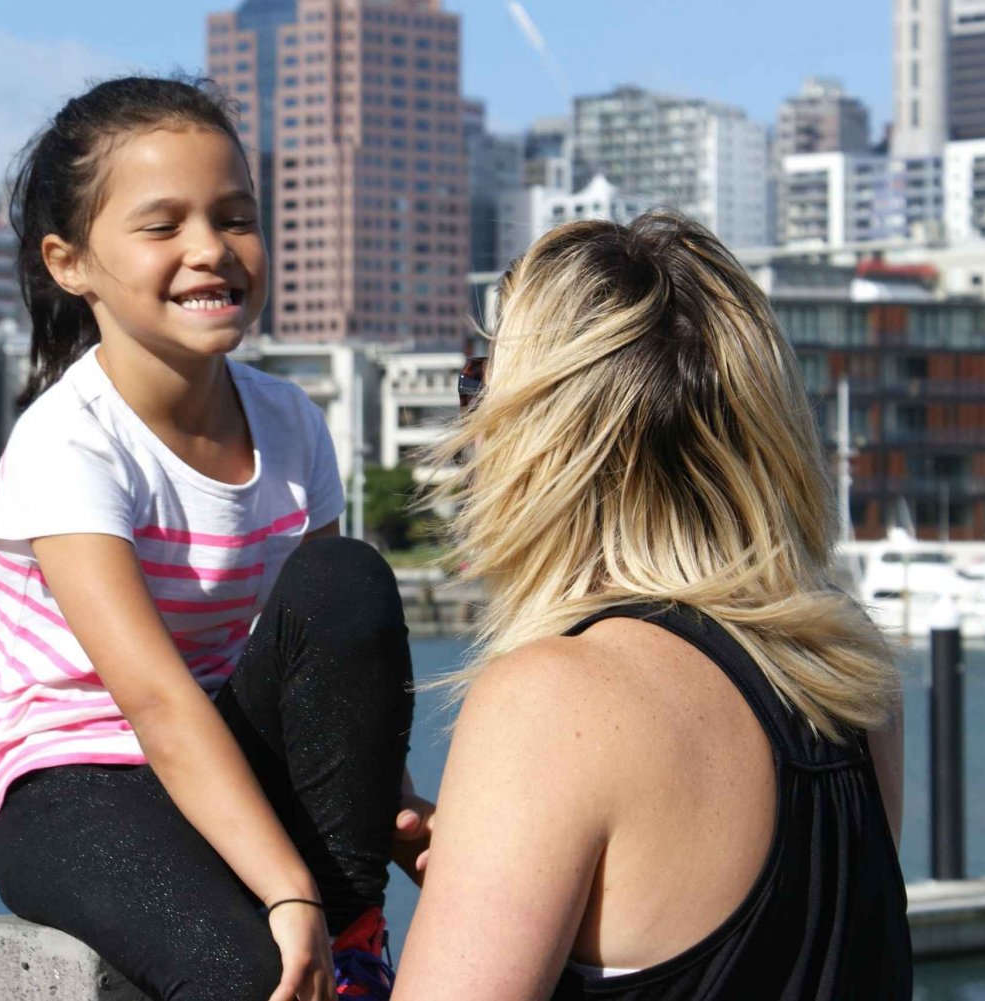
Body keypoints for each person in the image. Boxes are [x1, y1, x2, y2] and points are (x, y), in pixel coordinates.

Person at [0, 76, 412, 1001]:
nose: (211, 250)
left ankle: (354, 934)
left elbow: (323, 659)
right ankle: (310, 918)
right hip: (71, 782)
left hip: (218, 755)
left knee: (344, 578)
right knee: (241, 975)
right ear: (70, 262)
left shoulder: (291, 423)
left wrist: (393, 804)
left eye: (234, 217)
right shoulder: (68, 441)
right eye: (163, 227)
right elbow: (155, 700)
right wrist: (285, 888)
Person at [389, 214, 912, 1000]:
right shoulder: (853, 674)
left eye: (479, 387)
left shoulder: (557, 697)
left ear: (541, 441)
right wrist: (494, 884)